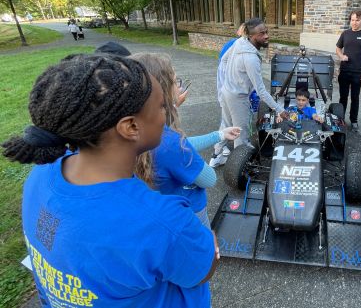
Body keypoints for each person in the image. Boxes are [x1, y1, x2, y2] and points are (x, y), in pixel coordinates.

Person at [2, 54, 219, 307]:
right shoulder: (163, 222)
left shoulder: (41, 174)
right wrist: (210, 242)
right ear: (130, 127)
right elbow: (203, 270)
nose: (167, 112)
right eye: (162, 106)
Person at [131, 53, 240, 228]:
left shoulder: (133, 129)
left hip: (160, 210)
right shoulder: (170, 143)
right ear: (162, 90)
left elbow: (183, 145)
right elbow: (209, 179)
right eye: (175, 81)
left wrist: (219, 135)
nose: (179, 87)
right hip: (188, 212)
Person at [210, 18, 288, 167]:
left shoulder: (239, 42)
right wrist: (279, 110)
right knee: (241, 133)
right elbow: (261, 91)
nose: (266, 36)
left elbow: (224, 61)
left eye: (266, 32)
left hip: (227, 92)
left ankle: (215, 156)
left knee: (225, 126)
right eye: (261, 34)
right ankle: (239, 166)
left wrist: (230, 80)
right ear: (252, 36)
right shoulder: (251, 58)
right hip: (238, 98)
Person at [336, 8, 361, 131]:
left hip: (358, 72)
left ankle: (354, 121)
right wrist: (341, 56)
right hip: (345, 70)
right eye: (352, 20)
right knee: (343, 97)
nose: (354, 22)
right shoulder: (345, 33)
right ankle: (340, 119)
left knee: (355, 97)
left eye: (357, 20)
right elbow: (338, 48)